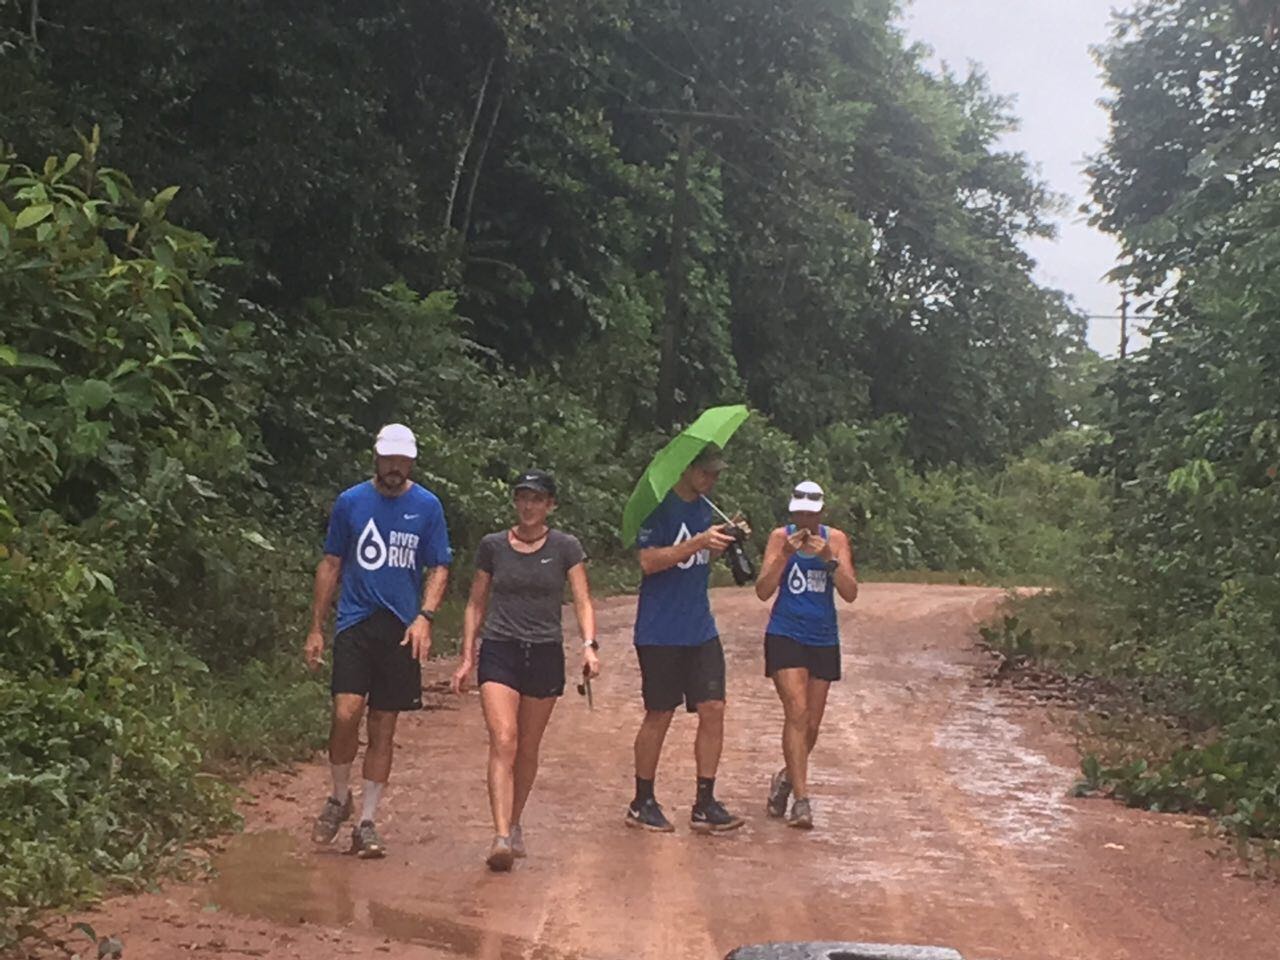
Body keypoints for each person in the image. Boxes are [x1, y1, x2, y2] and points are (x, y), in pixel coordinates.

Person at [304, 423, 452, 858]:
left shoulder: (427, 506)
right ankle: (338, 795)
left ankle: (367, 821)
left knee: (383, 726)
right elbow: (331, 562)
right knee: (346, 713)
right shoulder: (351, 502)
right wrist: (316, 626)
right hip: (355, 621)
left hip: (401, 627)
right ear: (376, 458)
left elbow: (439, 566)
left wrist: (425, 617)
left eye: (401, 461)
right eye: (388, 460)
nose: (394, 468)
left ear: (411, 461)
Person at [451, 470, 600, 872]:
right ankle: (500, 835)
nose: (528, 506)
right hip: (500, 649)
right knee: (504, 739)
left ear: (550, 504)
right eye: (522, 498)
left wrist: (589, 646)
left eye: (537, 499)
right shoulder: (493, 546)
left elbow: (583, 600)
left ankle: (515, 821)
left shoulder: (566, 547)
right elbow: (475, 604)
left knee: (527, 748)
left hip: (545, 652)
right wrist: (468, 656)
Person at [626, 444, 747, 835]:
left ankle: (705, 800)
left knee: (713, 708)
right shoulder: (659, 507)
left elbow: (697, 561)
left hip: (700, 626)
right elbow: (649, 562)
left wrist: (725, 541)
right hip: (660, 629)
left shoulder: (706, 507)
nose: (712, 479)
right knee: (660, 712)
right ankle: (642, 799)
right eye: (706, 472)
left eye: (716, 473)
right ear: (686, 470)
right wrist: (697, 542)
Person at [754, 480, 857, 829]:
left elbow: (851, 592)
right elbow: (762, 590)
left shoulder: (837, 540)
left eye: (810, 516)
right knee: (796, 712)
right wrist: (784, 556)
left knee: (811, 724)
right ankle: (802, 800)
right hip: (785, 632)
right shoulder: (780, 538)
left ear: (820, 514)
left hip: (823, 636)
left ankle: (785, 778)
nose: (805, 522)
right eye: (799, 514)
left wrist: (829, 559)